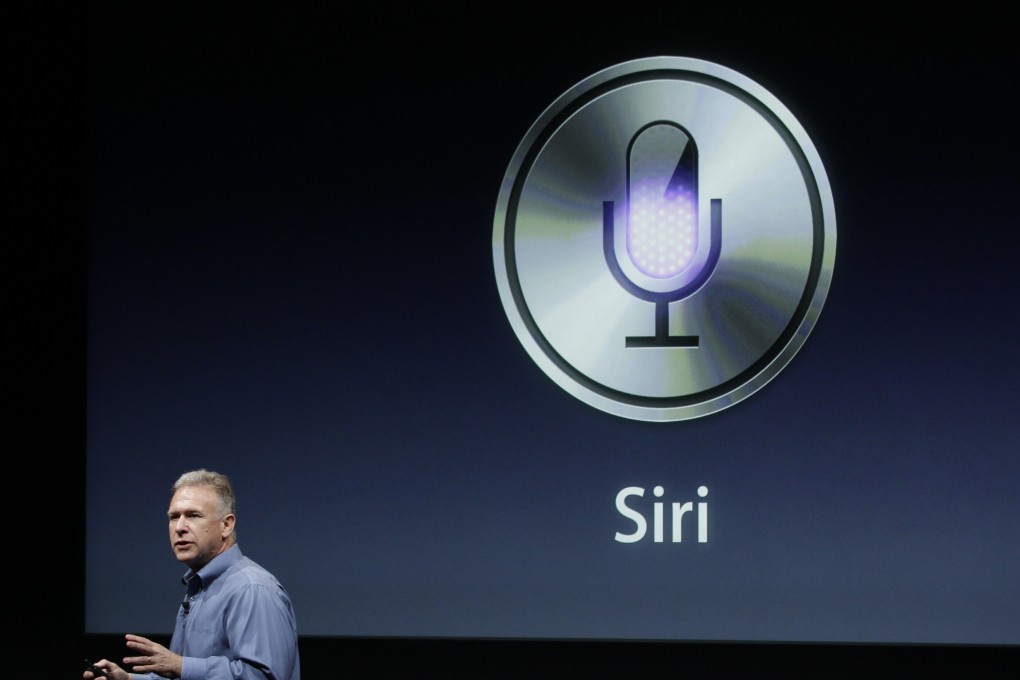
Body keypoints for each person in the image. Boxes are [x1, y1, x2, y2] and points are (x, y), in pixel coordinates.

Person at [85, 469, 301, 679]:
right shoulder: (199, 588)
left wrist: (182, 666)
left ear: (226, 525)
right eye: (173, 517)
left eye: (193, 515)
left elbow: (263, 676)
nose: (179, 527)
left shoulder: (252, 589)